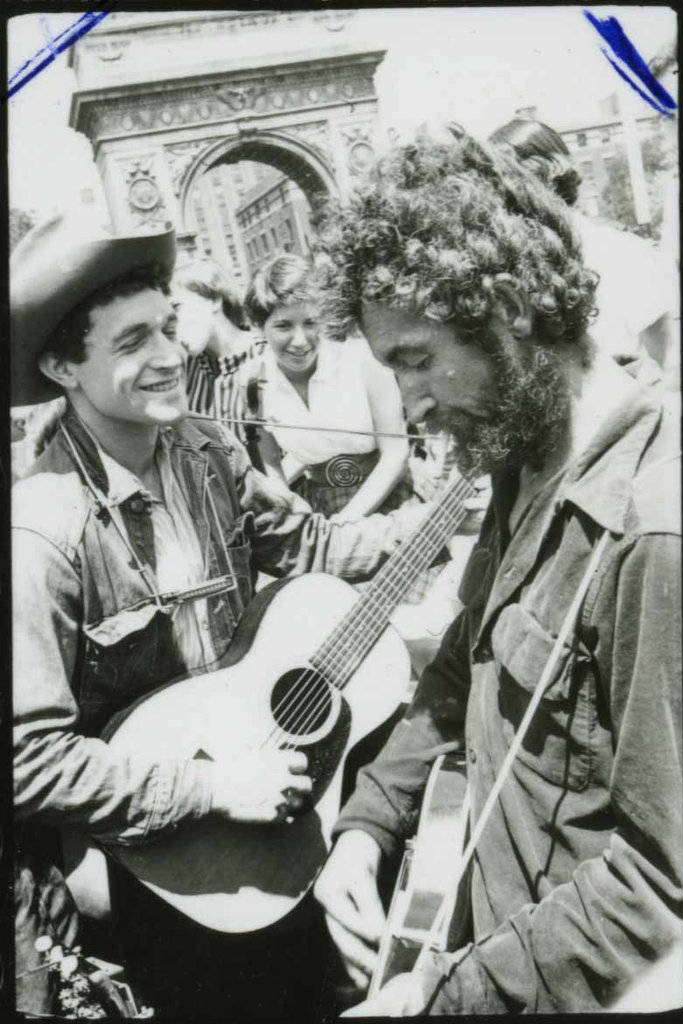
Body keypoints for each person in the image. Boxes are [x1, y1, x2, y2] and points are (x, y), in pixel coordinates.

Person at [10, 213, 430, 1017]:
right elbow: (27, 760)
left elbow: (307, 549)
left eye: (168, 329)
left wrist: (424, 525)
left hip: (274, 827)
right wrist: (206, 786)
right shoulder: (40, 533)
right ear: (63, 365)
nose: (170, 358)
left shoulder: (209, 452)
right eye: (132, 343)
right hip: (155, 878)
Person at [312, 128, 682, 1014]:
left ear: (511, 307)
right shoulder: (520, 454)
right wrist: (368, 823)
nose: (409, 403)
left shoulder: (651, 536)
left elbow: (659, 891)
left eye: (416, 357)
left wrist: (443, 999)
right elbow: (459, 666)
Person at [487, 117, 677, 379]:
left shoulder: (622, 251)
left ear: (549, 176)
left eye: (509, 185)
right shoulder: (505, 264)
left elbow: (668, 363)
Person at [239, 253, 414, 525]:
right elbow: (271, 463)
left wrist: (345, 522)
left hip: (391, 498)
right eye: (283, 326)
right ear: (260, 326)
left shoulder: (362, 357)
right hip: (321, 509)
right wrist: (294, 516)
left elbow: (395, 453)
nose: (300, 341)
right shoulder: (254, 382)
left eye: (310, 323)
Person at [170, 255, 257, 419]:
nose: (172, 326)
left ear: (214, 300)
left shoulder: (267, 355)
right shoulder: (185, 369)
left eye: (177, 307)